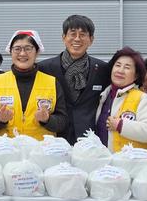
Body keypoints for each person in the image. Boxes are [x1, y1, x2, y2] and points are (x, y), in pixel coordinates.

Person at [0, 30, 70, 140]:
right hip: (6, 147)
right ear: (10, 52)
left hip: (41, 147)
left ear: (37, 52)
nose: (22, 53)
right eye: (17, 49)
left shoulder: (52, 82)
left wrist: (47, 119)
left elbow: (62, 121)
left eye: (28, 48)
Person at [38, 15, 109, 143]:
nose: (77, 39)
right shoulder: (45, 68)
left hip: (89, 138)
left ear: (91, 40)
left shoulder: (103, 69)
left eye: (82, 35)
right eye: (72, 34)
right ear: (63, 37)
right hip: (54, 136)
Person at [94, 47, 147, 151]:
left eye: (127, 67)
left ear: (136, 75)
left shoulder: (142, 98)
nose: (120, 70)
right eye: (118, 65)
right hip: (103, 158)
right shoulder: (103, 96)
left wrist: (121, 125)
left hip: (129, 160)